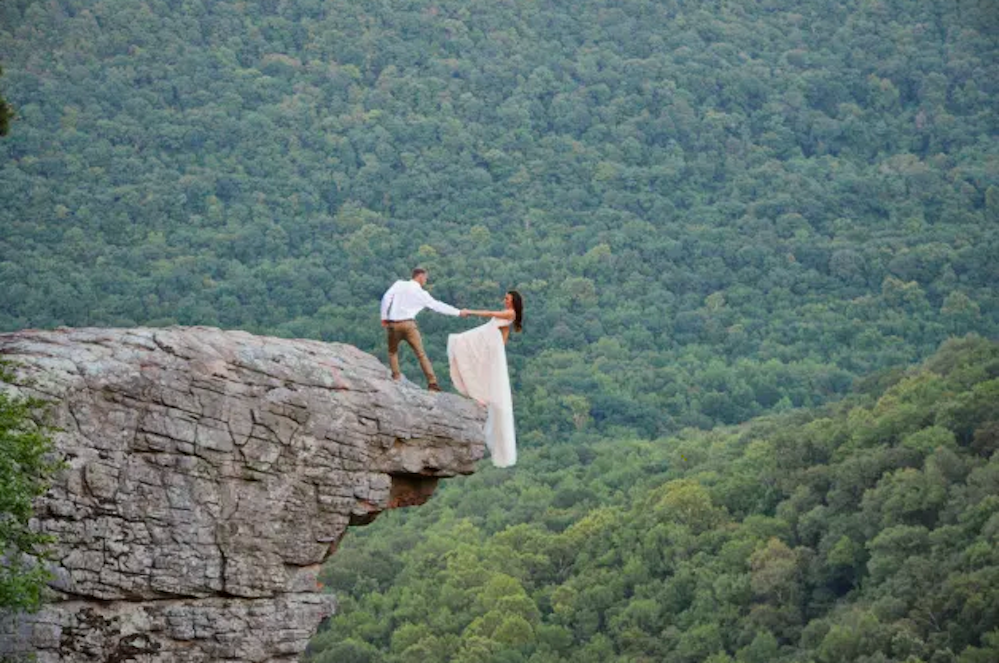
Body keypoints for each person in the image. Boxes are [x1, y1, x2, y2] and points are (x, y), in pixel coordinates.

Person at [448, 291, 524, 468]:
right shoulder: (509, 315)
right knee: (463, 346)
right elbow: (504, 333)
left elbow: (490, 314)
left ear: (513, 301)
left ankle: (481, 394)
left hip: (490, 344)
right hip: (489, 343)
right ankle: (480, 392)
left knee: (460, 342)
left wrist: (470, 312)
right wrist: (498, 349)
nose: (504, 300)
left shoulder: (510, 313)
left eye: (507, 298)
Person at [381, 268, 466, 391]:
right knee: (421, 354)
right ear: (420, 276)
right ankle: (432, 383)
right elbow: (438, 306)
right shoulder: (421, 293)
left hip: (394, 323)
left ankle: (396, 376)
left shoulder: (399, 284)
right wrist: (458, 312)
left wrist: (384, 317)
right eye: (425, 278)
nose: (426, 280)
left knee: (392, 351)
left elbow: (386, 298)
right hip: (409, 324)